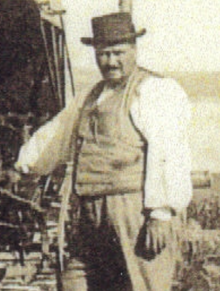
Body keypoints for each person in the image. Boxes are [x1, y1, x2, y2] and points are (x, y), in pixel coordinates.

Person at [15, 12, 192, 291]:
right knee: (76, 281)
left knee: (140, 285)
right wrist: (22, 166)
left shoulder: (155, 91)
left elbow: (169, 153)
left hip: (134, 212)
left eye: (117, 53)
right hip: (89, 213)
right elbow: (56, 137)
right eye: (103, 54)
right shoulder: (91, 95)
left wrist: (160, 213)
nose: (110, 61)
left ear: (134, 49)